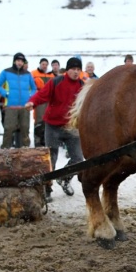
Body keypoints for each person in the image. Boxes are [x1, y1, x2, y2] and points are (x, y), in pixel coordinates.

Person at [25, 57, 85, 196]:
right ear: (67, 70)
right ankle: (47, 189)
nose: (76, 72)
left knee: (78, 159)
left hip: (71, 127)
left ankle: (64, 178)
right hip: (53, 126)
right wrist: (32, 102)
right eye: (73, 69)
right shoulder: (56, 82)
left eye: (78, 70)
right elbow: (42, 95)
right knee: (51, 158)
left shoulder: (82, 85)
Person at [0, 52, 37, 149]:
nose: (19, 63)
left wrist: (30, 96)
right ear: (14, 61)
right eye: (18, 60)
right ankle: (5, 150)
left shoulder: (28, 74)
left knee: (25, 129)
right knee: (9, 129)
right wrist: (6, 94)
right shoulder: (6, 72)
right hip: (11, 106)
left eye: (21, 61)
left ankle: (25, 149)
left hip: (25, 107)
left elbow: (34, 88)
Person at [31, 58, 54, 148]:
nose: (44, 66)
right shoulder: (34, 73)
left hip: (49, 99)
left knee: (47, 121)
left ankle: (45, 140)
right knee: (39, 120)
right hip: (40, 99)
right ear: (40, 64)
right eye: (43, 64)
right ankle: (37, 141)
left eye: (46, 64)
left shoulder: (51, 75)